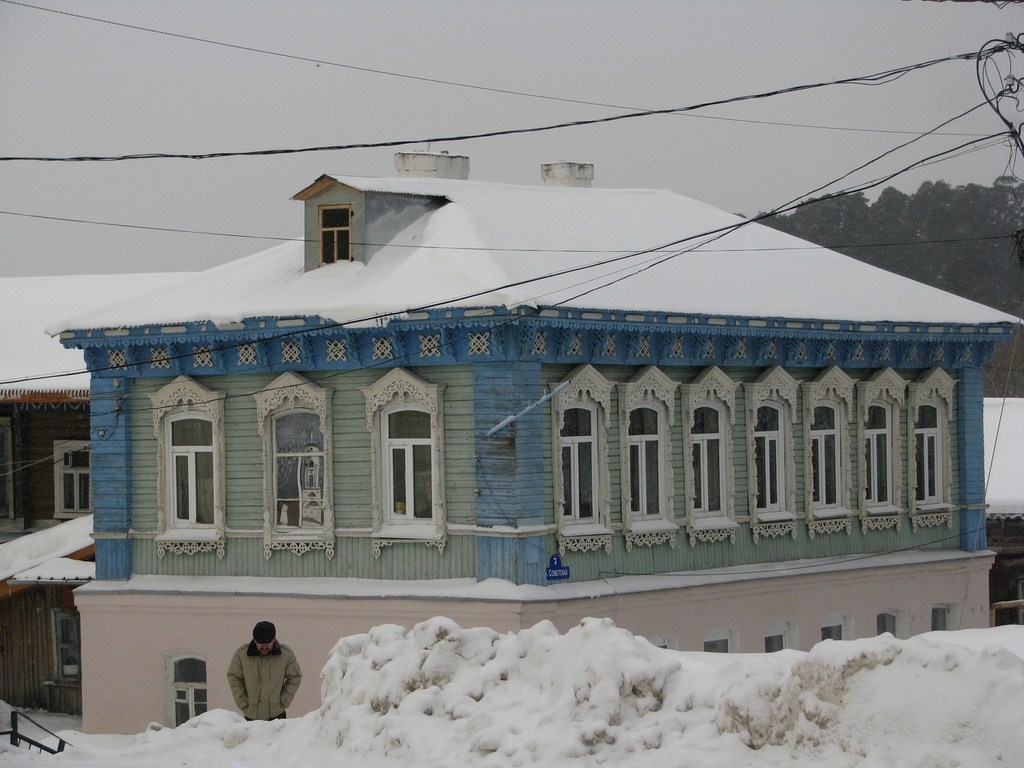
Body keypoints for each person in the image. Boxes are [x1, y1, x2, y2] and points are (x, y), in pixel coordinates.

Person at [226, 620, 302, 721]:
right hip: (251, 717)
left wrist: (283, 701)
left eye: (267, 643)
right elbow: (234, 676)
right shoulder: (241, 655)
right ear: (254, 641)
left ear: (274, 639)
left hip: (277, 716)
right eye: (261, 644)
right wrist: (243, 702)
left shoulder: (286, 655)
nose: (264, 647)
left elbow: (295, 677)